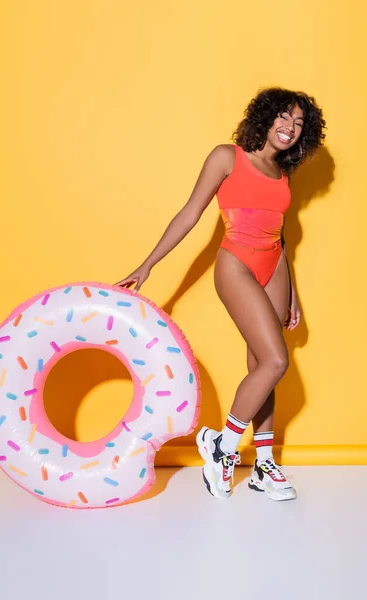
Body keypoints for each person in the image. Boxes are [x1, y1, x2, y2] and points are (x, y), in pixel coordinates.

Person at [115, 87, 326, 502]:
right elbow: (190, 213)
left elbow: (280, 236)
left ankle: (263, 465)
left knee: (263, 366)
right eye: (284, 117)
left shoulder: (284, 172)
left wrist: (294, 293)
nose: (291, 128)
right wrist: (148, 263)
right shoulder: (227, 157)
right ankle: (223, 444)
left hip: (274, 265)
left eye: (300, 124)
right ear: (265, 117)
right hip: (236, 264)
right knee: (277, 360)